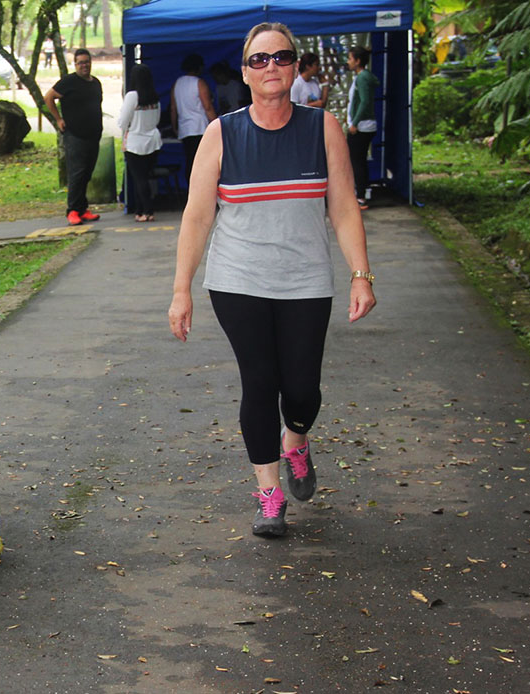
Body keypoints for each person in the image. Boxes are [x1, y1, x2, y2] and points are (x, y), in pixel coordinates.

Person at [166, 23, 376, 538]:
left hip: (306, 280)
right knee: (259, 382)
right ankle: (269, 494)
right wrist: (181, 289)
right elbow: (197, 216)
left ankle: (296, 440)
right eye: (259, 60)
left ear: (294, 66)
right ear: (245, 72)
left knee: (301, 390)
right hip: (237, 280)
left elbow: (343, 207)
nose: (271, 67)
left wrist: (360, 275)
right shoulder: (222, 134)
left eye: (281, 57)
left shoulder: (322, 127)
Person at [44, 48, 104, 226]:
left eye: (87, 62)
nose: (84, 66)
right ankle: (72, 210)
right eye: (81, 63)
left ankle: (82, 208)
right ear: (75, 64)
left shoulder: (96, 83)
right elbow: (49, 97)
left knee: (87, 173)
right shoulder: (69, 82)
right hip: (75, 135)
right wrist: (58, 119)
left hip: (93, 135)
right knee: (77, 173)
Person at [118, 62, 162, 223]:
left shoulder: (132, 96)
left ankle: (148, 211)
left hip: (135, 143)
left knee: (139, 179)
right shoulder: (155, 97)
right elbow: (157, 119)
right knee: (145, 177)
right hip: (153, 141)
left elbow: (122, 121)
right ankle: (140, 211)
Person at [168, 53, 217, 185]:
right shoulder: (199, 83)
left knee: (190, 160)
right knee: (204, 163)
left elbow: (173, 108)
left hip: (185, 129)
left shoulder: (177, 84)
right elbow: (207, 107)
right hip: (200, 127)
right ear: (199, 67)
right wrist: (217, 124)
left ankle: (191, 188)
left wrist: (174, 127)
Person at [346, 45, 380, 210]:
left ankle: (360, 196)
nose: (348, 62)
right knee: (359, 160)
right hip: (364, 125)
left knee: (356, 161)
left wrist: (355, 122)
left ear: (358, 61)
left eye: (350, 58)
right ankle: (362, 192)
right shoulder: (363, 77)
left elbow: (365, 101)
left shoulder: (363, 78)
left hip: (362, 126)